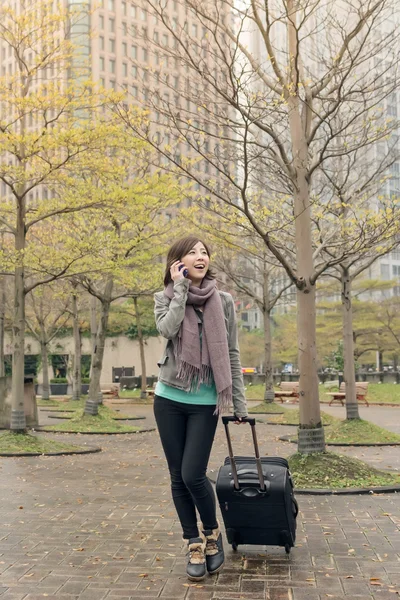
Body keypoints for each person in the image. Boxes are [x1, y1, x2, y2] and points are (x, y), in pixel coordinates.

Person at [153, 235, 248, 581]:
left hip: (206, 401)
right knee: (178, 476)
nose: (200, 256)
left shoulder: (223, 302)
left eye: (204, 252)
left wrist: (239, 402)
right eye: (192, 252)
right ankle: (193, 542)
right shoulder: (163, 299)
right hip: (168, 398)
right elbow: (167, 328)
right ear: (177, 262)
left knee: (193, 474)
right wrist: (179, 290)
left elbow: (232, 354)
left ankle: (212, 534)